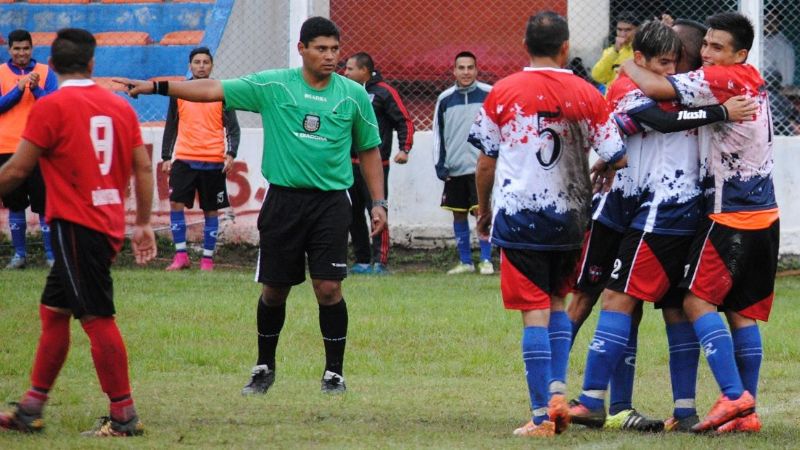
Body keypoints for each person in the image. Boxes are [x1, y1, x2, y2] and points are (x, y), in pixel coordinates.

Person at [115, 16, 386, 395]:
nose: (330, 56)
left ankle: (334, 374)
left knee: (329, 289)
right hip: (283, 202)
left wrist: (379, 202)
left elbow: (369, 149)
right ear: (302, 49)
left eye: (335, 49)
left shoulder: (353, 95)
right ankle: (264, 368)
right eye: (321, 49)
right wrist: (158, 87)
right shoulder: (273, 85)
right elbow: (212, 89)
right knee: (274, 290)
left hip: (331, 204)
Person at [567, 19, 757, 433]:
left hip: (658, 213)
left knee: (617, 300)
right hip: (681, 213)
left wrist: (628, 75)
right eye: (664, 62)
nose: (671, 69)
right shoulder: (697, 91)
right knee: (674, 308)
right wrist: (611, 153)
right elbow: (637, 124)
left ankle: (590, 400)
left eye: (675, 60)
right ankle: (683, 410)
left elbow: (651, 119)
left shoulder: (669, 88)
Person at [470, 11, 627, 437]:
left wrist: (484, 210)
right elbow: (617, 154)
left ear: (525, 46)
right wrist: (601, 169)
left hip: (521, 216)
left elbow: (485, 162)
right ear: (565, 48)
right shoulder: (587, 92)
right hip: (571, 218)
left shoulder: (503, 91)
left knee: (533, 313)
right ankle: (558, 397)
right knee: (557, 302)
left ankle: (542, 415)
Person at [619, 11, 776, 433]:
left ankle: (733, 395)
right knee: (741, 311)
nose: (707, 53)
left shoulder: (720, 79)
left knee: (694, 302)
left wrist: (628, 59)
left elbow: (654, 87)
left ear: (739, 55)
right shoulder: (751, 76)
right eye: (705, 44)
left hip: (730, 213)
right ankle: (747, 413)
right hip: (765, 211)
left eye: (717, 48)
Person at [0, 28, 156, 437]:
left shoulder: (50, 106)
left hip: (76, 226)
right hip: (104, 225)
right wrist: (142, 223)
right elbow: (142, 167)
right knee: (54, 312)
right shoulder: (119, 106)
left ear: (51, 65)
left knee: (96, 317)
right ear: (92, 63)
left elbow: (17, 170)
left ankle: (124, 416)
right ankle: (31, 409)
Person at [161, 46, 240, 272]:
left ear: (212, 66)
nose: (201, 66)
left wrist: (231, 153)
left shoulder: (221, 92)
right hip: (185, 159)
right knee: (176, 203)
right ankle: (181, 256)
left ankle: (207, 261)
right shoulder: (179, 92)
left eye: (206, 62)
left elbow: (233, 128)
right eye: (197, 62)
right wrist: (166, 156)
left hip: (213, 160)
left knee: (211, 210)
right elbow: (171, 125)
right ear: (190, 66)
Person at [344, 52, 414, 275]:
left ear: (364, 70)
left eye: (350, 69)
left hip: (376, 165)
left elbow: (404, 120)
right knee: (352, 213)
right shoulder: (346, 92)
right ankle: (362, 260)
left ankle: (380, 262)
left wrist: (404, 149)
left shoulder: (384, 92)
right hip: (348, 164)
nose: (345, 73)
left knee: (377, 210)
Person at [0, 29, 58, 269]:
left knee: (44, 203)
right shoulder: (1, 73)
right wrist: (18, 89)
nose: (21, 53)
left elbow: (53, 107)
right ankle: (19, 255)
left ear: (32, 49)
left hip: (40, 148)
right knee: (14, 203)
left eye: (26, 48)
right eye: (17, 49)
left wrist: (34, 89)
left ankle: (51, 255)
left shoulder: (45, 72)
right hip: (8, 147)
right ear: (9, 49)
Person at [433, 51, 493, 275]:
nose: (466, 72)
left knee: (482, 213)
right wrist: (440, 165)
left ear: (477, 70)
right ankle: (465, 261)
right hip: (455, 167)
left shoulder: (490, 94)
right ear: (454, 71)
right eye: (461, 68)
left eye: (470, 67)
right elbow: (438, 134)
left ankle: (486, 260)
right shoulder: (445, 99)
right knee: (458, 213)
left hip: (482, 168)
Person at [591, 11, 639, 92]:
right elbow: (597, 76)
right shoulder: (611, 51)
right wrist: (615, 51)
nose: (623, 34)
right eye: (619, 29)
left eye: (628, 30)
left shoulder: (642, 52)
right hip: (611, 96)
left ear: (637, 30)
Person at [763, 5, 795, 89]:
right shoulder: (755, 39)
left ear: (779, 23)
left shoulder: (784, 46)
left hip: (773, 89)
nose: (770, 23)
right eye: (767, 20)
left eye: (774, 21)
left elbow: (786, 81)